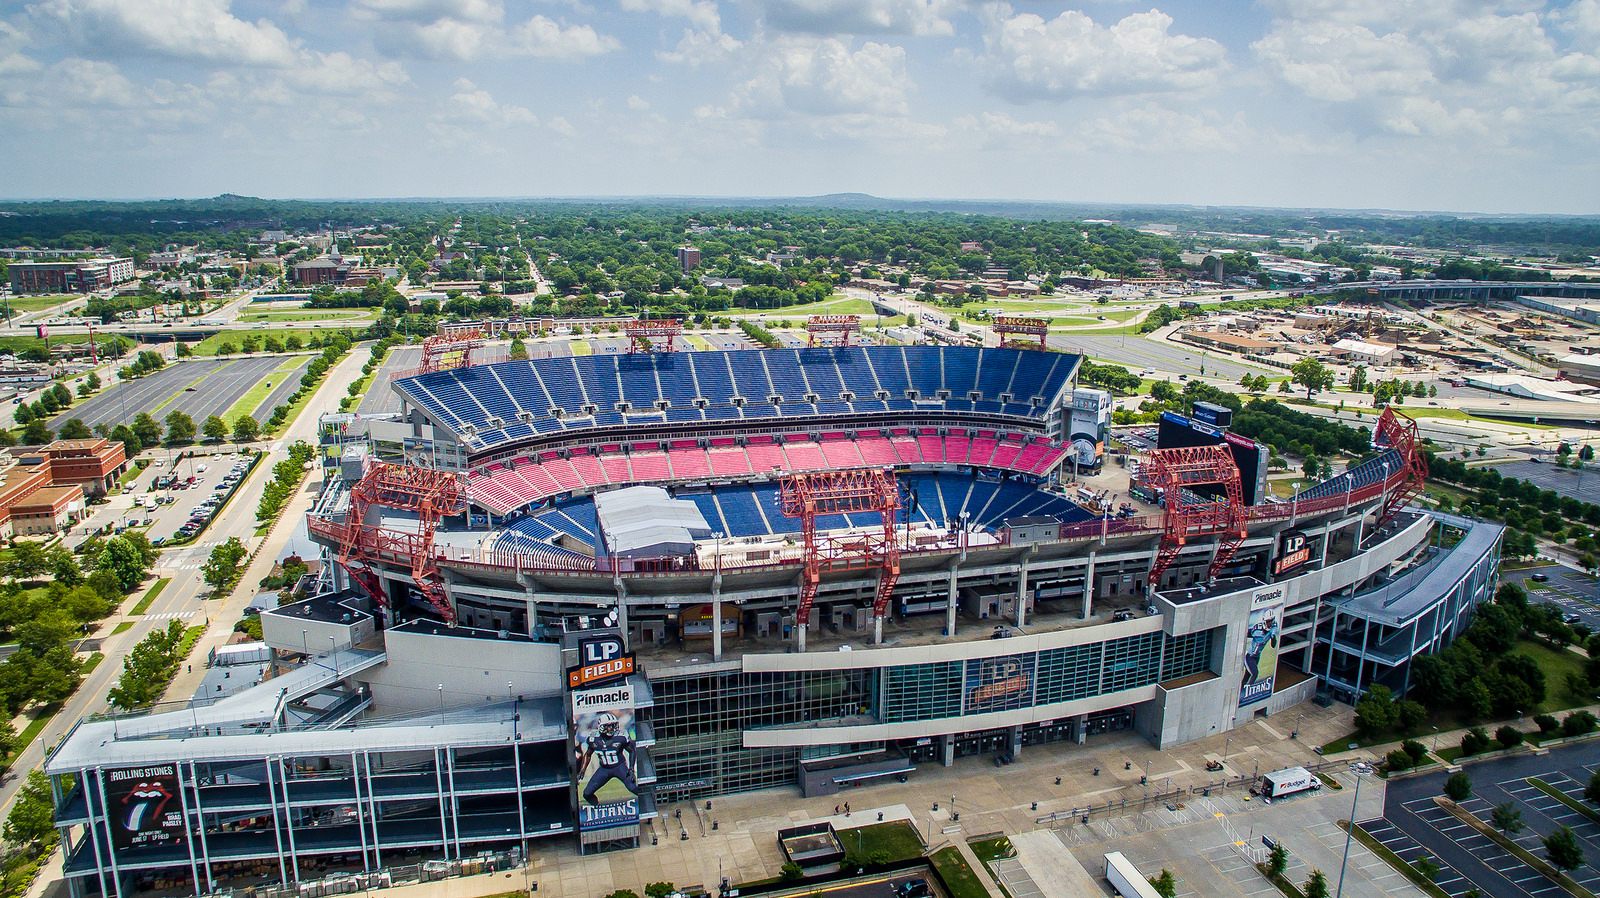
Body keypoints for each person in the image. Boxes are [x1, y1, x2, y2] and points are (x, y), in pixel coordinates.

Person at [577, 712, 637, 806]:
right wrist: (582, 770)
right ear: (601, 727)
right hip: (604, 769)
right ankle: (598, 808)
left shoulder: (620, 737)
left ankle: (646, 805)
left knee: (633, 788)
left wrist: (631, 768)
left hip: (620, 767)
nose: (611, 728)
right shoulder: (594, 739)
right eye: (608, 726)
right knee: (587, 794)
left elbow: (632, 751)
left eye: (613, 725)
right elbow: (588, 754)